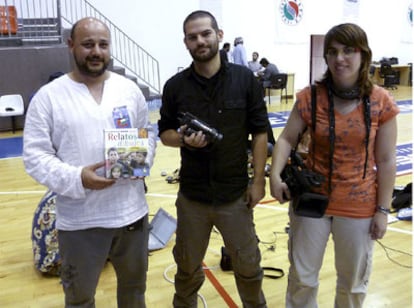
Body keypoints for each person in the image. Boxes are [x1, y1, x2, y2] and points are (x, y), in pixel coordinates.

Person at [23, 17, 156, 307]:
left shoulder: (129, 90)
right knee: (80, 298)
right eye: (87, 44)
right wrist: (77, 177)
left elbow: (147, 136)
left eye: (103, 44)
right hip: (80, 221)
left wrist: (141, 160)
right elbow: (35, 156)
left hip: (132, 214)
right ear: (71, 45)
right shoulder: (48, 98)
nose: (96, 51)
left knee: (135, 292)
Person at [269, 23, 399, 308]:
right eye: (333, 52)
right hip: (312, 200)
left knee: (353, 283)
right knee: (302, 279)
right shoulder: (310, 97)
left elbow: (387, 160)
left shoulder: (381, 102)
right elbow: (287, 139)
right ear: (326, 58)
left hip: (359, 204)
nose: (340, 58)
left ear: (363, 55)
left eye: (348, 50)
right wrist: (275, 175)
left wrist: (382, 210)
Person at [158, 10, 268, 308]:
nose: (200, 41)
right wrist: (182, 139)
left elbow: (260, 134)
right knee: (187, 270)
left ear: (219, 35)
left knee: (248, 267)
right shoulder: (175, 86)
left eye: (205, 33)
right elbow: (164, 133)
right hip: (193, 197)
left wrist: (258, 183)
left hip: (235, 195)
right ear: (186, 43)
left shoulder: (246, 80)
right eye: (192, 37)